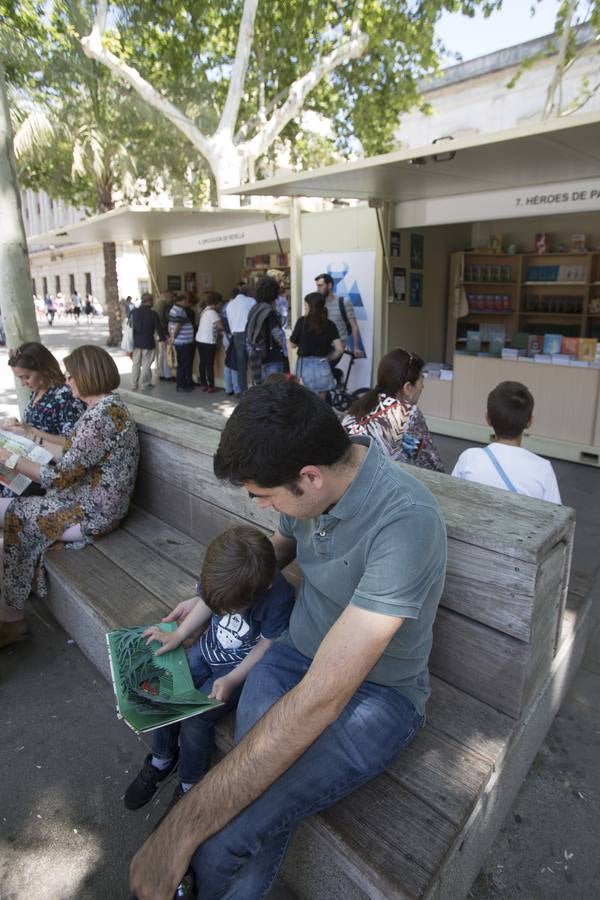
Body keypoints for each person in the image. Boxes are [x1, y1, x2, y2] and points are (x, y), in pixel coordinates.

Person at [129, 380, 447, 899]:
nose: (259, 508)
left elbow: (325, 695)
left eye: (263, 496)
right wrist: (208, 601)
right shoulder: (308, 479)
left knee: (224, 836)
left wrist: (180, 828)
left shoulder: (405, 521)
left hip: (378, 694)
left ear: (310, 477)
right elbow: (271, 556)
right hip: (290, 655)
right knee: (243, 806)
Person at [124, 525, 295, 812]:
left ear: (263, 588)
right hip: (206, 650)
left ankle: (190, 785)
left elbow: (266, 644)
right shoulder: (221, 574)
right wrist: (179, 635)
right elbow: (206, 603)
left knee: (196, 718)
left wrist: (233, 678)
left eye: (230, 608)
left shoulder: (277, 597)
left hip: (238, 671)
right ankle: (162, 759)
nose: (222, 612)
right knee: (168, 687)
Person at [0, 345, 139, 650]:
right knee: (13, 512)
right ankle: (11, 614)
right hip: (85, 501)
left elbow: (60, 476)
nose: (67, 381)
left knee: (15, 515)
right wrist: (27, 443)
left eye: (71, 375)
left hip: (94, 513)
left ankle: (12, 620)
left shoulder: (101, 417)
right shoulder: (106, 409)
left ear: (87, 376)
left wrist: (9, 458)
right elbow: (70, 458)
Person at [451, 380, 561, 502]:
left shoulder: (468, 458)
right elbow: (555, 512)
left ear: (488, 419)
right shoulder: (543, 469)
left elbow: (451, 498)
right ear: (529, 421)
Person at [342, 348, 444, 472]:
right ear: (407, 387)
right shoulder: (408, 413)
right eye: (421, 381)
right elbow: (431, 465)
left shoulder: (363, 403)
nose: (422, 386)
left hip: (343, 476)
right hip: (373, 480)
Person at [289, 292, 343, 400]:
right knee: (321, 404)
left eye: (305, 304)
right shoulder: (330, 324)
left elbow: (292, 344)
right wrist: (329, 358)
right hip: (322, 365)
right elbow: (340, 349)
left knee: (303, 402)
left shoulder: (302, 322)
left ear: (310, 306)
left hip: (304, 367)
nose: (304, 306)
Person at [245, 276, 286, 385]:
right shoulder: (269, 311)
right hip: (272, 356)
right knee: (274, 390)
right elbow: (277, 335)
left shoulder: (254, 309)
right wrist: (285, 348)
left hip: (257, 356)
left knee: (262, 390)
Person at [315, 272, 365, 358]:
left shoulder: (344, 302)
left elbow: (354, 326)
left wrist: (356, 347)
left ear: (329, 285)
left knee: (324, 364)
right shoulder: (319, 303)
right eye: (317, 286)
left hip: (337, 347)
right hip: (321, 344)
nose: (317, 289)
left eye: (320, 285)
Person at [130, 292, 166, 392]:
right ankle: (144, 384)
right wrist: (163, 339)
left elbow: (129, 327)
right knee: (146, 364)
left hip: (136, 342)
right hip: (148, 342)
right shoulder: (152, 314)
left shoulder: (133, 312)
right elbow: (159, 328)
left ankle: (134, 384)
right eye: (152, 300)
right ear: (149, 301)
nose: (153, 302)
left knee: (136, 363)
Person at [225, 286, 255, 393]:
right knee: (255, 362)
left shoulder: (230, 304)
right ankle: (256, 389)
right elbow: (255, 317)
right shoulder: (251, 301)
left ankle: (243, 391)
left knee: (241, 365)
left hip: (236, 335)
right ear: (248, 293)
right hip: (250, 333)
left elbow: (229, 322)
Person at [195, 292, 224, 393]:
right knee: (209, 364)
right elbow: (220, 326)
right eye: (220, 303)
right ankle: (211, 386)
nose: (220, 305)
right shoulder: (213, 313)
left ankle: (203, 384)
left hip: (200, 339)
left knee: (202, 362)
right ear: (217, 302)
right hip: (208, 341)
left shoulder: (205, 310)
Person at [168, 294, 196, 393]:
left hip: (181, 341)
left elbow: (170, 325)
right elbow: (177, 325)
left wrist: (172, 336)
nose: (187, 302)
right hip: (183, 342)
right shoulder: (179, 311)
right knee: (183, 364)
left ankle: (183, 384)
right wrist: (173, 337)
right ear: (182, 300)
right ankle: (181, 385)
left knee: (182, 364)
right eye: (186, 300)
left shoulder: (174, 309)